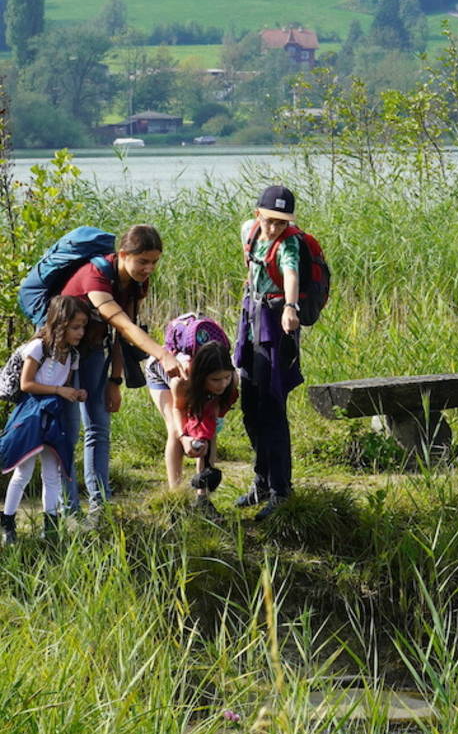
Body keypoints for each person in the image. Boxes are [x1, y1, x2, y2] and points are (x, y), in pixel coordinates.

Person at [60, 224, 184, 519]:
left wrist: (115, 380)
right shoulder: (95, 276)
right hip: (61, 354)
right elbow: (123, 325)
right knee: (67, 430)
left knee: (99, 427)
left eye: (154, 261)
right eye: (143, 261)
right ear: (123, 254)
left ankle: (99, 507)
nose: (149, 268)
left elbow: (120, 335)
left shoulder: (136, 284)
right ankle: (68, 510)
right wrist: (163, 354)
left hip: (93, 350)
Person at [233, 185, 303, 520]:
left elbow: (290, 273)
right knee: (250, 406)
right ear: (257, 212)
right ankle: (260, 481)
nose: (274, 227)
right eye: (270, 219)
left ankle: (280, 491)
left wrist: (290, 306)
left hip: (277, 325)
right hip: (249, 323)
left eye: (281, 222)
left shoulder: (289, 243)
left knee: (273, 408)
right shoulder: (248, 230)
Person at [0, 295, 90, 545]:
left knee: (52, 473)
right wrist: (60, 391)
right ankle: (8, 522)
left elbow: (66, 385)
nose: (81, 332)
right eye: (75, 326)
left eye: (83, 326)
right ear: (59, 323)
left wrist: (75, 393)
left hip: (53, 416)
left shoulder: (72, 355)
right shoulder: (38, 347)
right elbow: (26, 384)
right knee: (23, 472)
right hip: (30, 414)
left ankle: (50, 527)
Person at [165, 340, 238, 517]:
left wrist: (201, 435)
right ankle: (176, 497)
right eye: (215, 379)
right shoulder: (182, 381)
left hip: (197, 387)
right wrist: (184, 437)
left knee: (207, 431)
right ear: (202, 376)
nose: (222, 384)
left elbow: (211, 421)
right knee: (174, 431)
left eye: (226, 378)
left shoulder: (232, 380)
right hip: (164, 376)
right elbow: (178, 408)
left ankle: (203, 498)